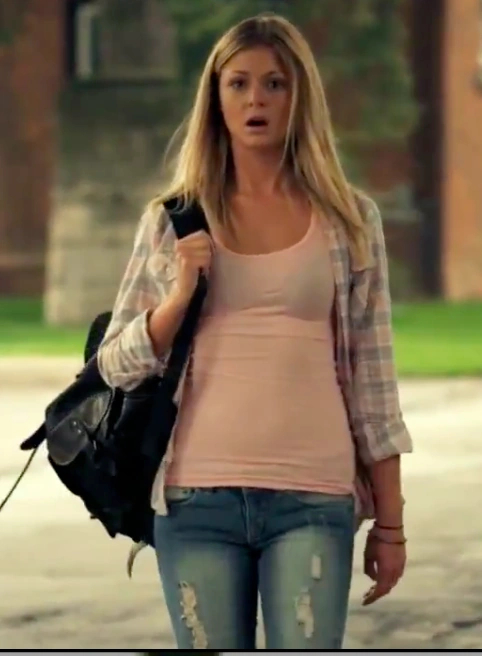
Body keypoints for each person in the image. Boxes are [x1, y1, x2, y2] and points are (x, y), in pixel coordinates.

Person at [97, 12, 413, 651]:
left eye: (275, 84)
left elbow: (374, 386)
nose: (255, 100)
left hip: (314, 497)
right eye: (238, 84)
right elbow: (114, 365)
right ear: (215, 98)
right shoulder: (173, 219)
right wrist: (180, 297)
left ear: (300, 97)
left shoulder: (350, 221)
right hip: (195, 499)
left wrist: (391, 524)